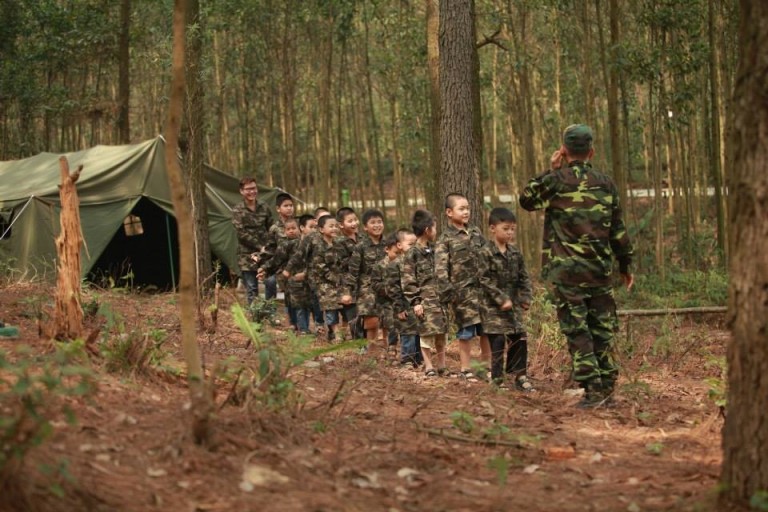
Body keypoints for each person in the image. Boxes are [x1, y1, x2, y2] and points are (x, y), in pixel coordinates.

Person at [520, 123, 634, 408]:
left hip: (568, 273)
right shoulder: (605, 183)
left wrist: (551, 168)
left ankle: (594, 391)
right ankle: (606, 387)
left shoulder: (556, 181)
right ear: (591, 151)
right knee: (602, 327)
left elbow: (526, 200)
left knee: (578, 329)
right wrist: (625, 265)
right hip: (599, 270)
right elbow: (618, 230)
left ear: (564, 150)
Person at [435, 192, 491, 381]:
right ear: (449, 212)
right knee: (466, 332)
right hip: (462, 294)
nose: (466, 211)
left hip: (482, 292)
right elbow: (441, 270)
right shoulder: (445, 239)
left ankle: (485, 368)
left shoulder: (476, 233)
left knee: (486, 331)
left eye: (467, 208)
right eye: (461, 208)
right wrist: (450, 293)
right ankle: (466, 369)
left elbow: (488, 257)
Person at [478, 208, 534, 391]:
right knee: (498, 341)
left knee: (520, 338)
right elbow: (483, 279)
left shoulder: (515, 253)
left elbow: (524, 277)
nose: (509, 233)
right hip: (493, 307)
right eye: (505, 228)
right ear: (493, 228)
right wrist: (501, 299)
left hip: (514, 306)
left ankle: (520, 376)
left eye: (512, 229)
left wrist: (525, 297)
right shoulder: (485, 252)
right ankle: (497, 379)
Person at [402, 210, 447, 377]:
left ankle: (442, 365)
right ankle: (428, 366)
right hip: (425, 300)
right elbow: (408, 280)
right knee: (426, 333)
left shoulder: (436, 250)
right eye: (434, 228)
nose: (436, 232)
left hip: (439, 299)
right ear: (428, 230)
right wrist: (416, 301)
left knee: (441, 333)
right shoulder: (412, 253)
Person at [342, 209, 386, 350]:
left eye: (379, 222)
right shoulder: (360, 247)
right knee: (371, 322)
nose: (377, 225)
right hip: (368, 288)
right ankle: (371, 353)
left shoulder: (389, 244)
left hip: (387, 286)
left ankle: (390, 351)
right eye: (373, 223)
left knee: (388, 321)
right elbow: (353, 272)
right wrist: (348, 291)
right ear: (365, 227)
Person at [258, 217, 305, 333]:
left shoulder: (305, 242)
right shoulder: (284, 245)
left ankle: (305, 327)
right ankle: (293, 323)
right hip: (288, 277)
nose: (291, 231)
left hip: (303, 275)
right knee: (289, 301)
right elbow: (276, 260)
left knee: (303, 302)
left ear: (299, 229)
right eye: (288, 229)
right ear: (284, 232)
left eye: (294, 228)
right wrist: (264, 267)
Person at [232, 177, 273, 306]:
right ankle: (255, 318)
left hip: (265, 253)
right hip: (246, 255)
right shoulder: (238, 210)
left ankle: (269, 313)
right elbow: (241, 233)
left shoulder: (264, 207)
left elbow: (271, 228)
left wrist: (269, 246)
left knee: (271, 283)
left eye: (254, 188)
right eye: (248, 189)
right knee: (251, 288)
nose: (252, 192)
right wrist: (259, 246)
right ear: (242, 191)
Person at [384, 228, 422, 367]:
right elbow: (393, 289)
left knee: (418, 332)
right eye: (411, 244)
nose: (414, 248)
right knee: (407, 333)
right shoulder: (395, 265)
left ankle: (419, 359)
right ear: (399, 245)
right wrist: (399, 308)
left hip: (416, 305)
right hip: (403, 307)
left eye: (416, 244)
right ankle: (407, 359)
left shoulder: (417, 262)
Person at [262, 192, 295, 301]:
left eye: (291, 205)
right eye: (286, 206)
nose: (289, 208)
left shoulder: (298, 225)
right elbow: (270, 250)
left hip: (295, 266)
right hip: (278, 266)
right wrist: (265, 266)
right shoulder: (274, 228)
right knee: (270, 282)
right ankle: (269, 314)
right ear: (278, 209)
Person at [334, 207, 361, 339]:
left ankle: (368, 341)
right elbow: (342, 262)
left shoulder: (362, 237)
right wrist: (359, 257)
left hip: (363, 282)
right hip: (347, 283)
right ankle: (358, 341)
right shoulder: (338, 242)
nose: (354, 223)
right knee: (352, 315)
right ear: (341, 225)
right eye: (350, 221)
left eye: (355, 219)